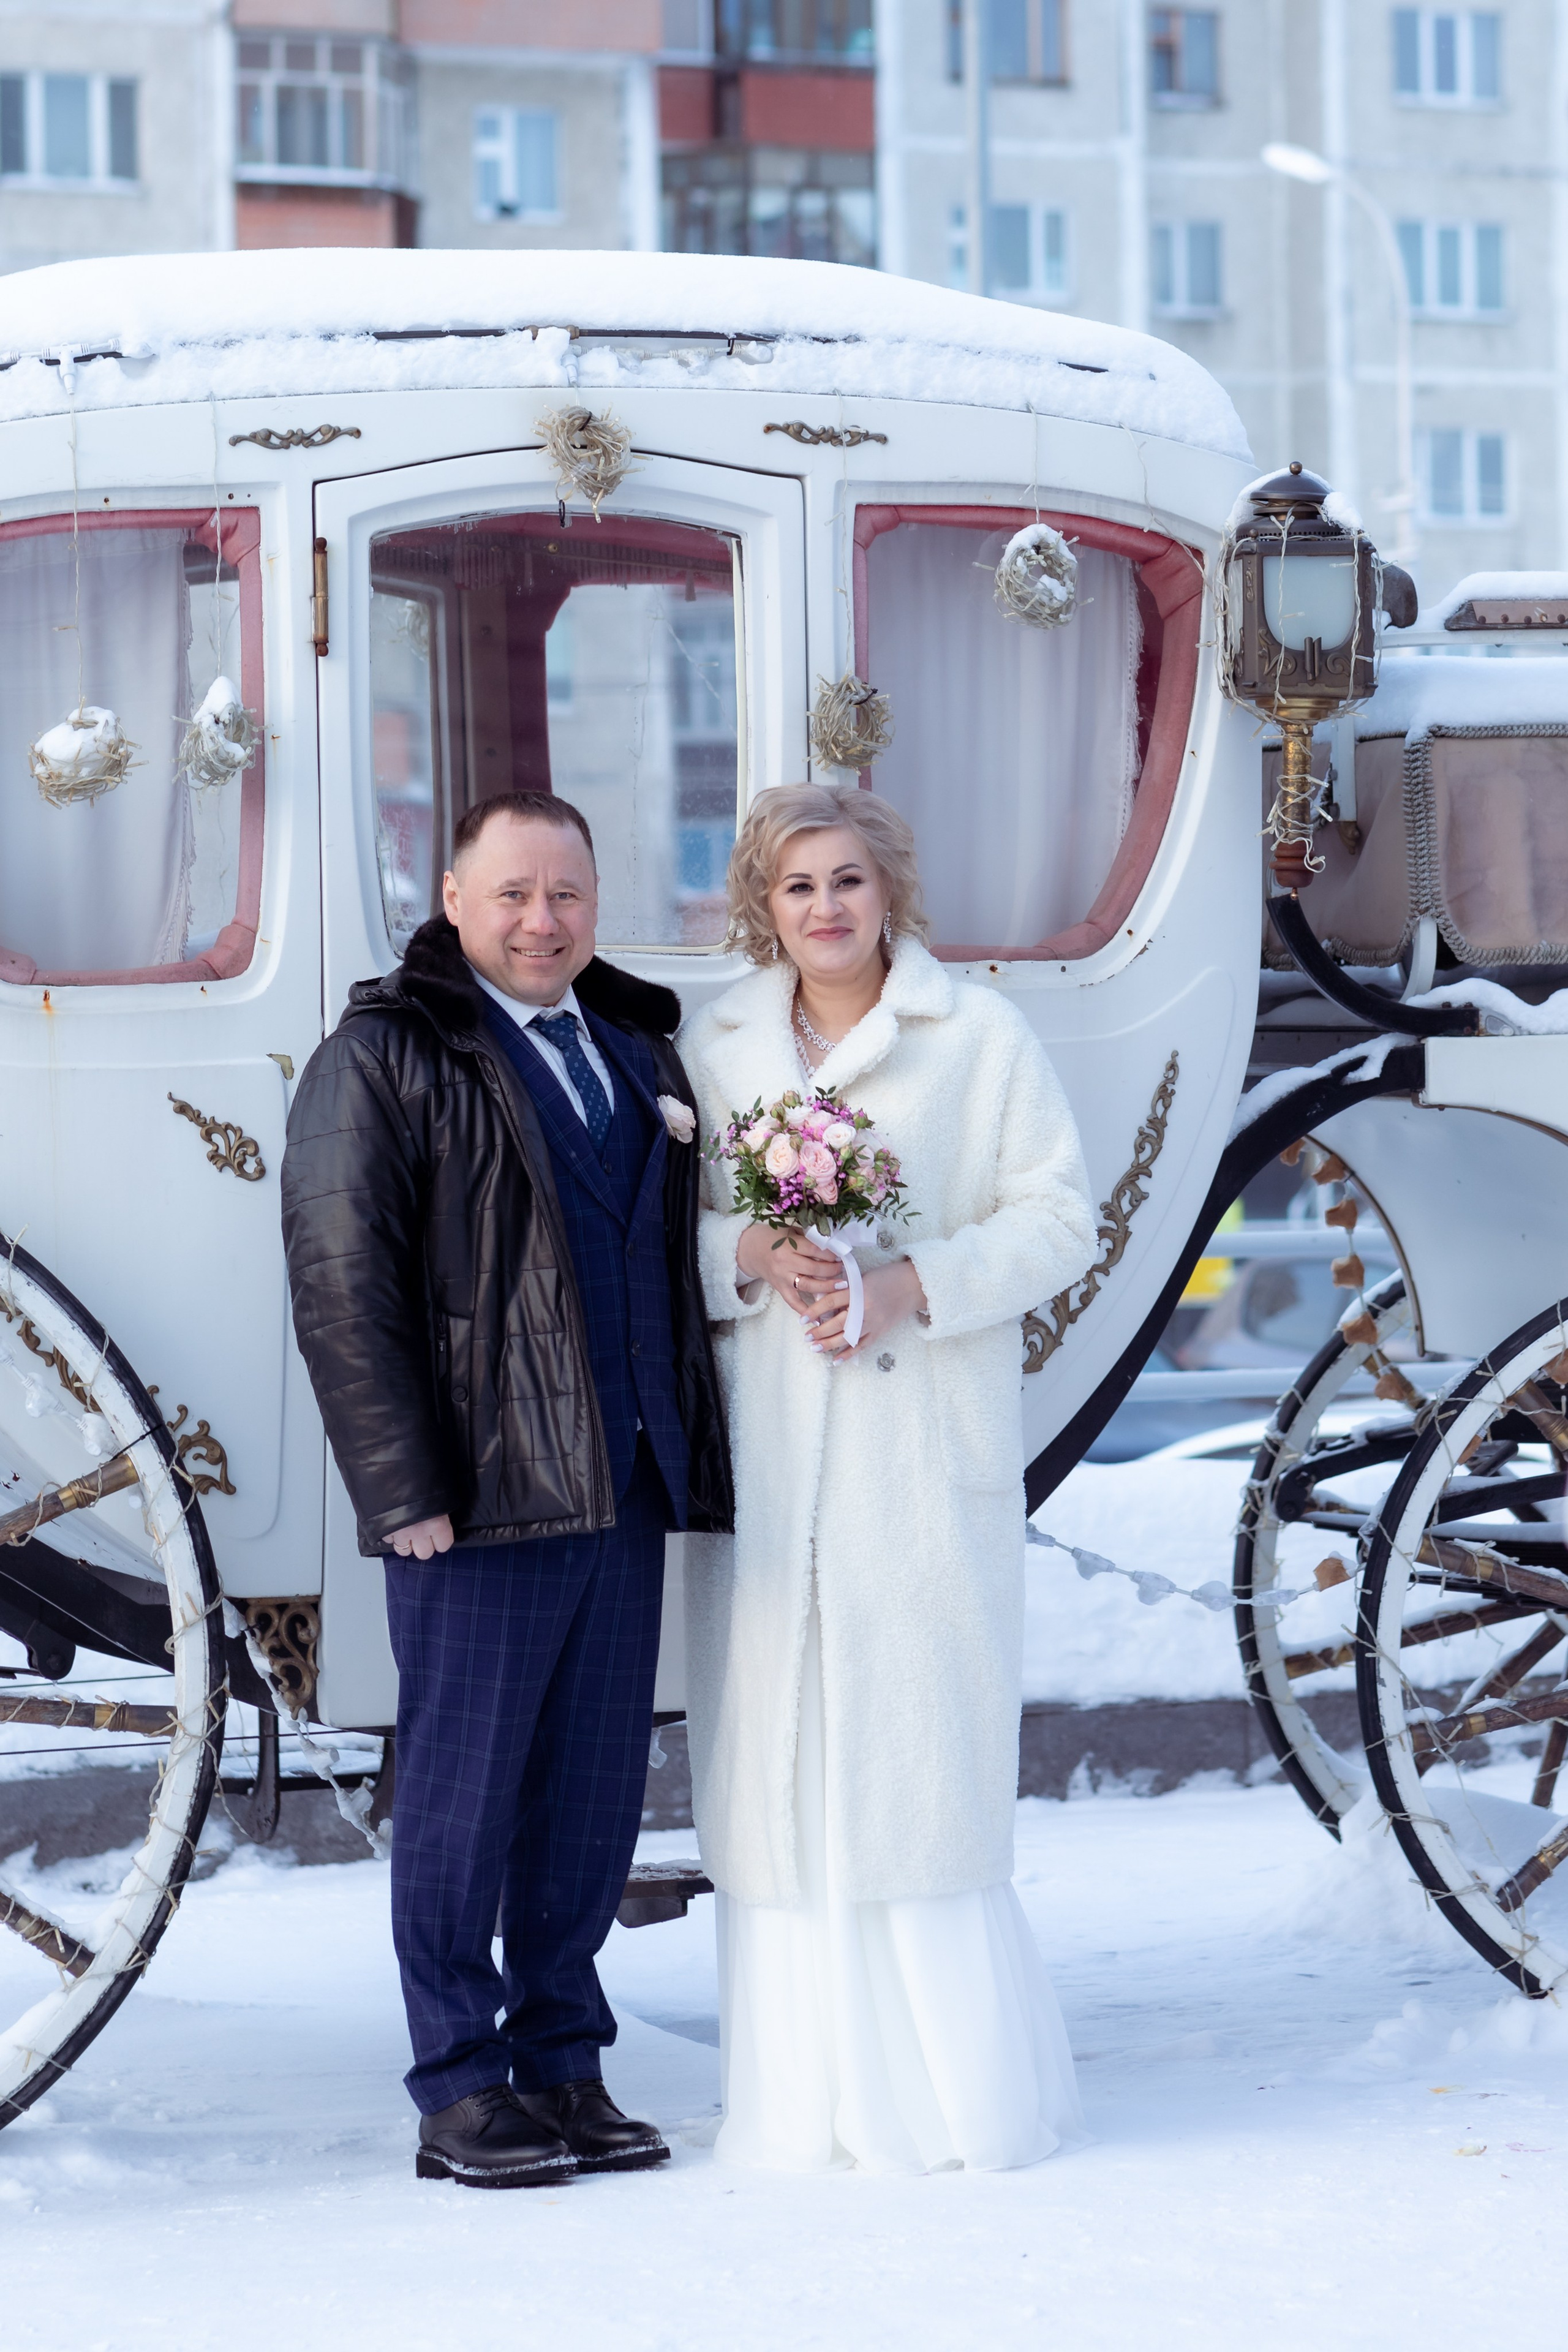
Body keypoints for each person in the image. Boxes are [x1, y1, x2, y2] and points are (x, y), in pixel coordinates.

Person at [281, 790, 732, 2190]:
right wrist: (398, 1484)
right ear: (456, 900)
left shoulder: (633, 1045)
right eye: (516, 894)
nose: (544, 921)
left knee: (592, 1803)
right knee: (465, 1804)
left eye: (570, 896)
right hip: (474, 1498)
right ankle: (459, 2084)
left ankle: (561, 2059)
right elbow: (341, 1289)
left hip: (627, 1477)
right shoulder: (384, 1053)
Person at [677, 782, 1098, 2174]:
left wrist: (920, 1279)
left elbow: (1058, 1214)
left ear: (888, 892)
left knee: (915, 1754)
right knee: (786, 1758)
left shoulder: (973, 1036)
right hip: (777, 1443)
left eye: (847, 880)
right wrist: (747, 1257)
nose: (824, 908)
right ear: (762, 904)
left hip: (919, 1445)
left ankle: (949, 2101)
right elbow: (667, 1229)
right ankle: (802, 2107)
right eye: (796, 886)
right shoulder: (720, 1042)